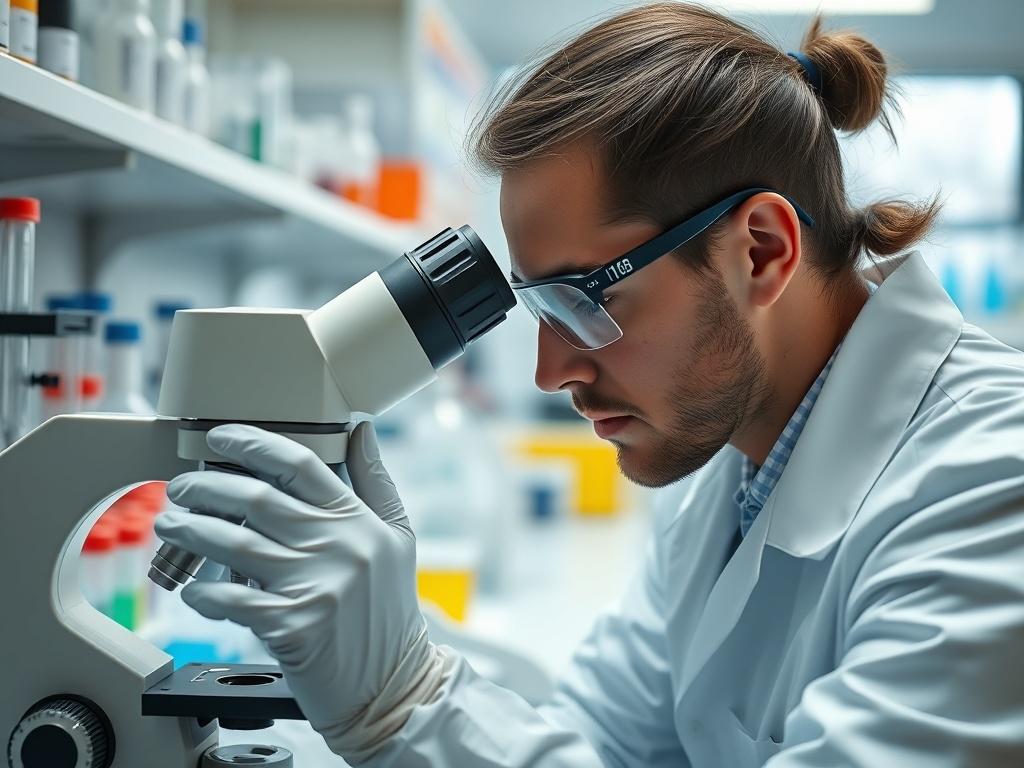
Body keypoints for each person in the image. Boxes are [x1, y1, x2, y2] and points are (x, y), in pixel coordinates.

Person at [154, 3, 1024, 766]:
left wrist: (403, 700)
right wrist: (384, 635)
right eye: (539, 308)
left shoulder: (990, 490)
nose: (551, 372)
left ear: (761, 251)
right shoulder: (732, 467)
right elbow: (599, 741)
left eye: (582, 301)